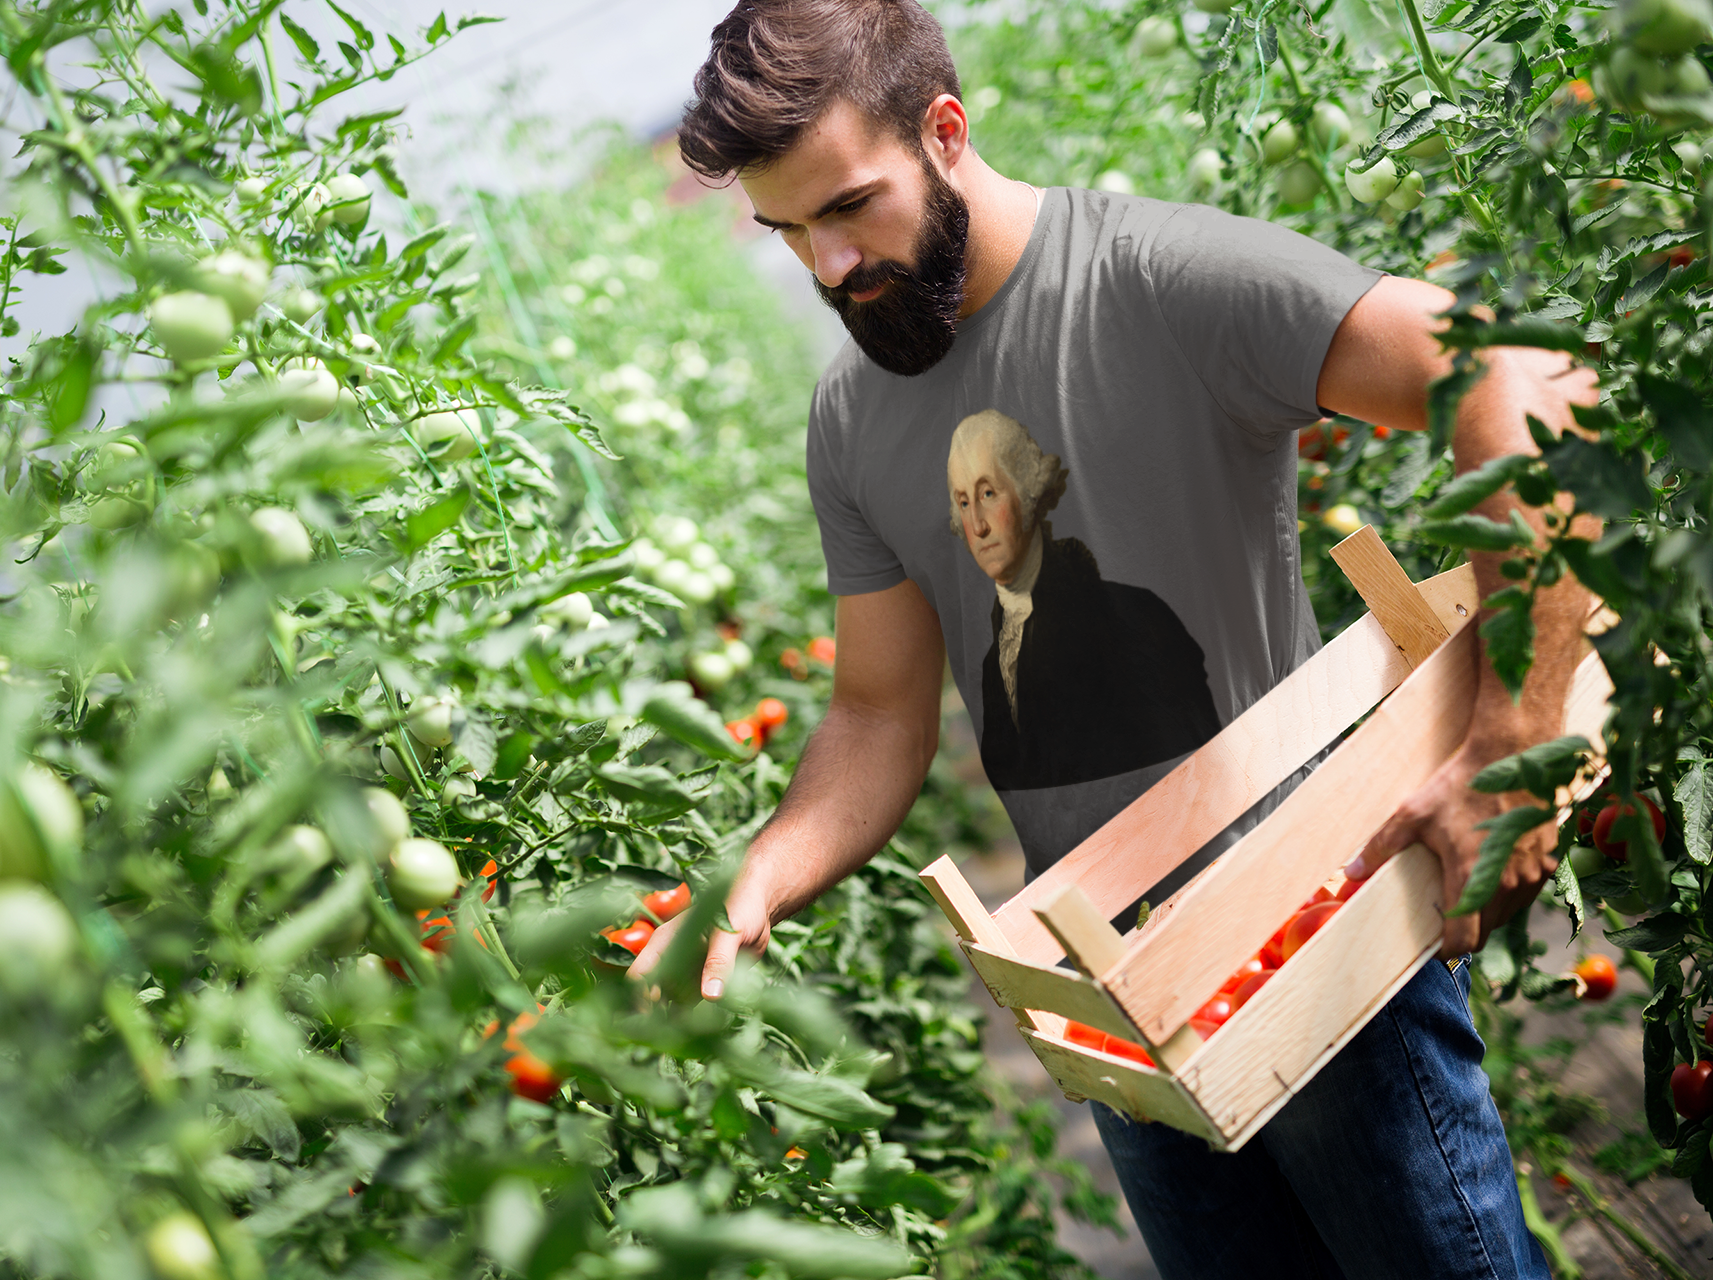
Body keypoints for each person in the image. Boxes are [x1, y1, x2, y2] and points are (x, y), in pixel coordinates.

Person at [631, 2, 1599, 1276]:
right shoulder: (852, 414)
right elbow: (876, 712)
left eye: (849, 207)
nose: (826, 267)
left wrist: (1513, 738)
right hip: (1117, 1008)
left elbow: (1521, 379)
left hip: (1312, 949)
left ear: (945, 130)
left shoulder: (1154, 277)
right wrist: (759, 880)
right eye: (788, 229)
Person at [947, 408, 1221, 796]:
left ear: (1029, 490)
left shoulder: (1134, 617)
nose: (978, 525)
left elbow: (1203, 775)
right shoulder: (995, 664)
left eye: (988, 493)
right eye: (963, 502)